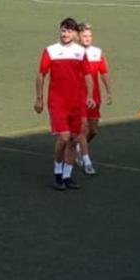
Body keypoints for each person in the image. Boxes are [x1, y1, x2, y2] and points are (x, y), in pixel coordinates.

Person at [34, 18, 94, 191]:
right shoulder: (51, 51)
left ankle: (67, 176)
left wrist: (89, 96)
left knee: (74, 138)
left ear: (75, 34)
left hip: (77, 102)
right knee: (64, 137)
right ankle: (57, 172)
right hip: (58, 101)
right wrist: (39, 98)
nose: (65, 34)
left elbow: (88, 75)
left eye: (69, 31)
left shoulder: (80, 52)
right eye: (63, 30)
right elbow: (41, 75)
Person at [74, 24, 111, 175]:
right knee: (82, 128)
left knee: (93, 130)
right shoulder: (74, 53)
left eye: (89, 36)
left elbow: (104, 73)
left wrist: (109, 91)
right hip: (78, 97)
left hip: (94, 98)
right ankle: (86, 160)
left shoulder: (97, 52)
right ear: (78, 37)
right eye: (84, 36)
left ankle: (77, 148)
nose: (87, 39)